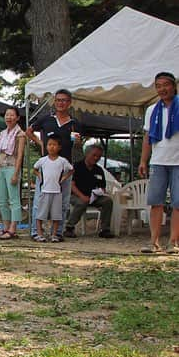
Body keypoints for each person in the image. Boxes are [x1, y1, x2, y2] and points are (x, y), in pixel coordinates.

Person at [26, 89, 82, 241]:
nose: (60, 103)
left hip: (64, 166)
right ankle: (36, 232)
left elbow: (78, 144)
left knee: (63, 202)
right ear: (54, 102)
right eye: (58, 100)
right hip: (47, 166)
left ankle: (57, 233)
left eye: (64, 100)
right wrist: (40, 143)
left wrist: (78, 142)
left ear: (69, 102)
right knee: (39, 200)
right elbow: (29, 131)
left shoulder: (74, 123)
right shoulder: (46, 119)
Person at [138, 71, 179, 254]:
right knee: (156, 202)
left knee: (178, 203)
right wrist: (143, 161)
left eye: (165, 85)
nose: (162, 89)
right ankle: (154, 242)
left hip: (178, 161)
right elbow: (147, 137)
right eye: (158, 86)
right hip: (158, 160)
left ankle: (173, 242)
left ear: (173, 86)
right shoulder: (151, 110)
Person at [64, 144, 115, 239]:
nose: (96, 158)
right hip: (76, 195)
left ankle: (105, 229)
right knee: (82, 202)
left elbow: (102, 187)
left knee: (107, 201)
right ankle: (69, 227)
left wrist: (100, 192)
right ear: (87, 154)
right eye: (94, 155)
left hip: (93, 196)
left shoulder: (99, 170)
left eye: (99, 157)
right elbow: (71, 185)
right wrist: (81, 195)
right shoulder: (77, 166)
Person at [0, 106, 26, 240]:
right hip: (2, 168)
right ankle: (5, 227)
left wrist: (16, 173)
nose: (9, 117)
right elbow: (1, 154)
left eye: (12, 115)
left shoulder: (20, 134)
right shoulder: (2, 133)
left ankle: (13, 229)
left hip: (12, 167)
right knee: (2, 200)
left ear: (17, 118)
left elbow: (20, 155)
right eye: (7, 115)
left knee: (14, 200)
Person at [32, 135, 74, 242]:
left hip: (57, 192)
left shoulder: (62, 161)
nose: (52, 147)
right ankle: (39, 234)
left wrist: (64, 178)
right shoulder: (43, 160)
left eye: (54, 145)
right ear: (46, 146)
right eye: (49, 145)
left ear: (59, 147)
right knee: (40, 214)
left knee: (56, 215)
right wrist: (39, 176)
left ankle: (54, 234)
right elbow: (35, 168)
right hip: (44, 191)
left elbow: (71, 170)